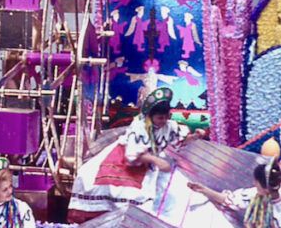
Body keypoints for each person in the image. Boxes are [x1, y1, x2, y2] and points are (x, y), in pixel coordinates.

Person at [68, 86, 197, 218]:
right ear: (150, 116)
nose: (163, 121)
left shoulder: (170, 125)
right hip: (126, 158)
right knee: (119, 188)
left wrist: (195, 136)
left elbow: (179, 140)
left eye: (166, 117)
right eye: (160, 118)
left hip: (151, 162)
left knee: (170, 189)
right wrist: (156, 161)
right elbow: (133, 154)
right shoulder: (139, 126)